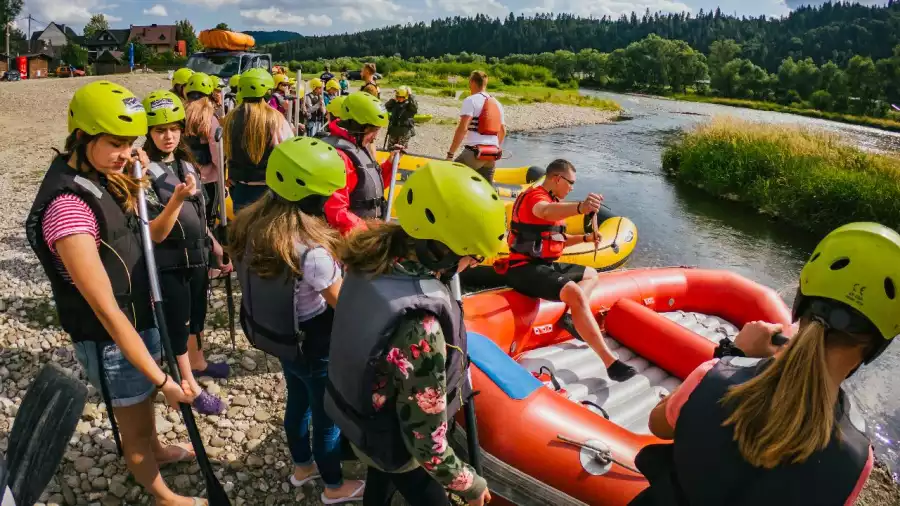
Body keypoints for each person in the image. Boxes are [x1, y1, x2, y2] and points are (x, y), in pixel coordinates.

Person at [631, 222, 900, 506]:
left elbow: (658, 424)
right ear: (877, 346)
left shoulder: (715, 375)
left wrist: (733, 353)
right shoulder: (858, 460)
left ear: (801, 304)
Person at [25, 80, 202, 506]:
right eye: (116, 142)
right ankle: (160, 494)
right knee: (134, 428)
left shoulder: (105, 175)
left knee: (142, 412)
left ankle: (156, 450)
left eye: (131, 143)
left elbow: (149, 237)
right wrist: (164, 381)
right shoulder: (68, 208)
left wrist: (170, 195)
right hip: (112, 340)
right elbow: (105, 311)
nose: (127, 153)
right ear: (82, 136)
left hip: (140, 320)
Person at [325, 160, 504, 506]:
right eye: (473, 257)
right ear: (442, 251)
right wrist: (469, 484)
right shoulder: (422, 327)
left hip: (366, 425)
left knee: (381, 478)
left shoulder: (372, 258)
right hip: (396, 441)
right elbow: (427, 444)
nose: (473, 264)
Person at [230, 137, 366, 504]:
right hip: (315, 342)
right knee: (327, 418)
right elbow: (343, 306)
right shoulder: (311, 251)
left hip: (283, 338)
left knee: (297, 402)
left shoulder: (249, 223)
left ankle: (302, 467)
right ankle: (334, 487)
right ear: (314, 198)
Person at [501, 159, 637, 382]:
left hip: (543, 264)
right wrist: (581, 208)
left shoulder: (552, 199)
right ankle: (610, 363)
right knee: (573, 292)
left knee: (591, 274)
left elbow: (557, 240)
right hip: (523, 268)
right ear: (556, 178)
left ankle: (570, 316)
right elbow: (544, 211)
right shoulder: (536, 198)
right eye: (570, 183)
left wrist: (586, 237)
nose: (572, 188)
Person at [142, 90, 232, 416]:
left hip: (197, 255)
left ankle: (198, 360)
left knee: (197, 313)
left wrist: (216, 246)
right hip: (169, 261)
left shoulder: (184, 165)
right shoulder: (145, 171)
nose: (168, 136)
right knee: (177, 321)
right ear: (149, 132)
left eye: (174, 129)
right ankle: (187, 384)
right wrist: (176, 200)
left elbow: (200, 215)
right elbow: (155, 230)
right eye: (160, 130)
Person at [321, 92, 397, 235]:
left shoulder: (357, 146)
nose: (375, 137)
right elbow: (335, 211)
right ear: (356, 126)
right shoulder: (339, 157)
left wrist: (390, 165)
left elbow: (368, 188)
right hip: (351, 240)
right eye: (373, 130)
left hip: (364, 231)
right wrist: (369, 233)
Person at [224, 68, 295, 213]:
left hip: (240, 187)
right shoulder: (275, 118)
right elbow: (289, 151)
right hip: (267, 188)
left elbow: (226, 150)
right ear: (267, 91)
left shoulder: (230, 118)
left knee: (242, 232)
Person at [446, 70, 506, 183]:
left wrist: (450, 154)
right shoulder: (497, 103)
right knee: (487, 189)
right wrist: (494, 147)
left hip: (473, 154)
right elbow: (502, 131)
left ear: (472, 82)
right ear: (485, 84)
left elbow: (463, 128)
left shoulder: (471, 100)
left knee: (450, 178)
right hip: (491, 155)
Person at [183, 72, 222, 222]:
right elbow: (216, 151)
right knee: (208, 214)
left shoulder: (181, 114)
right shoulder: (209, 119)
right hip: (208, 177)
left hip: (185, 174)